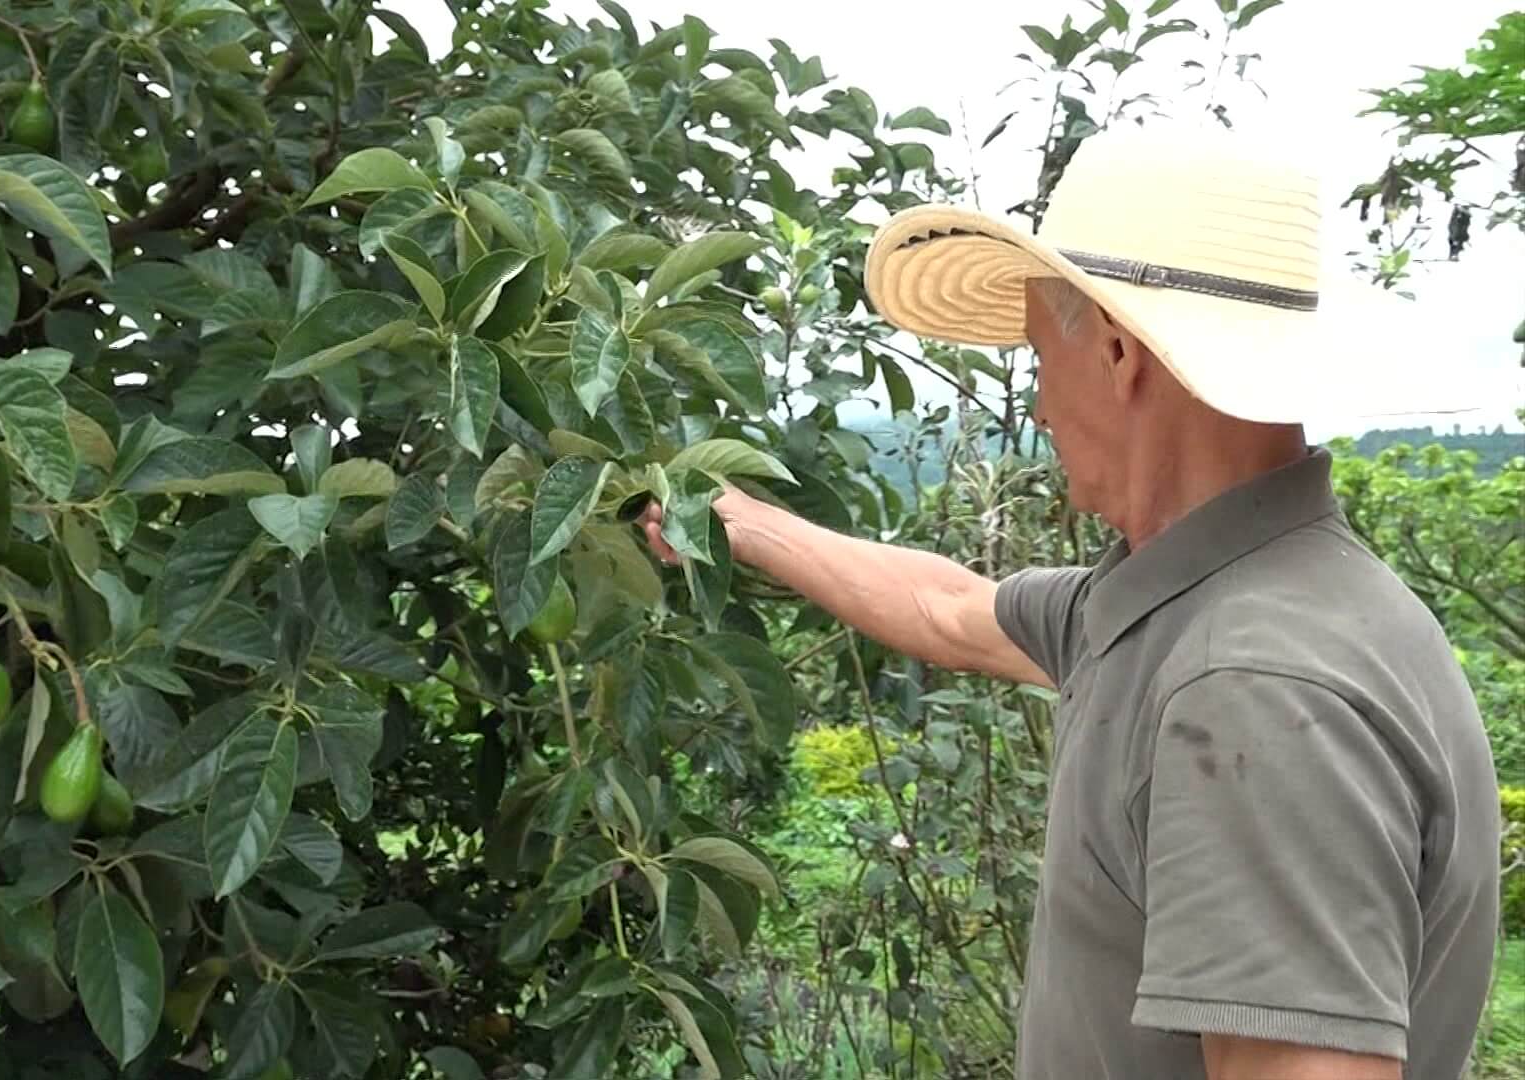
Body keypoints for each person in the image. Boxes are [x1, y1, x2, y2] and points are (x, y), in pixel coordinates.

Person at [639, 123, 1503, 1080]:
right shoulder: (1206, 603)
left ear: (1121, 354)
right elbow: (946, 610)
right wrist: (742, 522)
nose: (1040, 405)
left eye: (1041, 351)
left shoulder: (1249, 685)